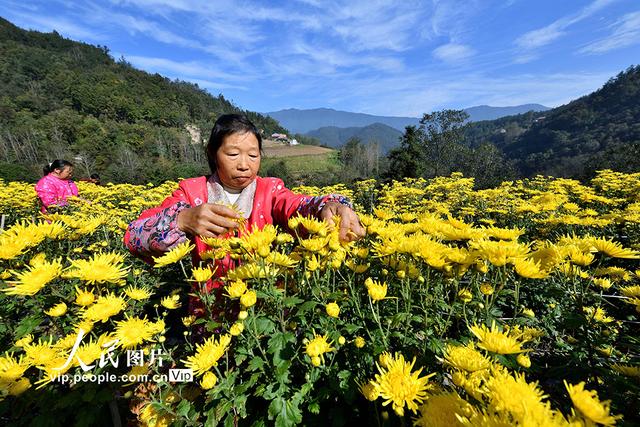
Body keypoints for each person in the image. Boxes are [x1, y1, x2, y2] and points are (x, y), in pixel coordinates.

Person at [124, 114, 366, 315]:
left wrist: (330, 206)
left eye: (253, 155)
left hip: (265, 311)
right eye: (232, 154)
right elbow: (134, 236)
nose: (244, 164)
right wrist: (182, 220)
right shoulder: (191, 192)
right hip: (209, 313)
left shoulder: (269, 190)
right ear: (212, 153)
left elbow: (298, 206)